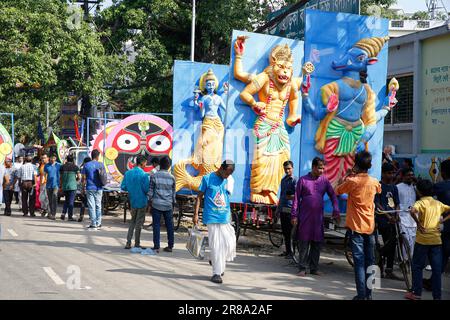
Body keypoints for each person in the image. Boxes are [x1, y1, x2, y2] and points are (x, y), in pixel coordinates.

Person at [335, 151, 381, 300]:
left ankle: (361, 296)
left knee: (359, 263)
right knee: (371, 261)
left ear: (356, 164)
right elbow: (379, 190)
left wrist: (347, 175)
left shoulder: (353, 181)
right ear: (370, 165)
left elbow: (337, 189)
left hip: (356, 228)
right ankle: (370, 295)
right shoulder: (374, 182)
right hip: (370, 227)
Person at [291, 157, 340, 276]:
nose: (322, 170)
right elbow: (296, 199)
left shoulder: (324, 181)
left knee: (317, 243)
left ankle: (314, 268)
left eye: (323, 168)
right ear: (313, 167)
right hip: (305, 217)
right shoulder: (302, 180)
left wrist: (336, 209)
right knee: (304, 242)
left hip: (318, 219)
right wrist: (294, 215)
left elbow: (333, 195)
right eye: (319, 168)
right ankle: (302, 268)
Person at [405, 179, 450, 300]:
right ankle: (437, 296)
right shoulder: (438, 203)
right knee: (436, 270)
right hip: (436, 240)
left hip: (422, 240)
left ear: (418, 192)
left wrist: (418, 224)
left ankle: (416, 293)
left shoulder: (420, 202)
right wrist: (443, 220)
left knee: (417, 266)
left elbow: (412, 211)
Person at [193, 160, 236, 284]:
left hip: (225, 217)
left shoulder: (228, 180)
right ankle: (217, 273)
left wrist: (229, 178)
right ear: (221, 169)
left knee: (229, 243)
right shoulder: (207, 178)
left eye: (230, 174)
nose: (228, 176)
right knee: (217, 245)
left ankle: (216, 260)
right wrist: (195, 214)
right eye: (227, 173)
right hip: (211, 216)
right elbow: (199, 197)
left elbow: (228, 194)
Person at [423, 159, 450, 291]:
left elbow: (425, 195)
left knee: (442, 255)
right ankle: (432, 281)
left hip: (445, 227)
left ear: (443, 173)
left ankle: (433, 282)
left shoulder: (440, 186)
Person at [374, 162, 402, 280]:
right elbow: (377, 203)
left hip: (393, 220)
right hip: (382, 219)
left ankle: (389, 270)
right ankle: (380, 265)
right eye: (389, 173)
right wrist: (388, 216)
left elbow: (397, 203)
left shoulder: (394, 187)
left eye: (392, 173)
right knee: (385, 244)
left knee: (393, 244)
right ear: (383, 173)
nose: (391, 175)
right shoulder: (379, 186)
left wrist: (396, 214)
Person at [148, 156, 176, 252]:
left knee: (156, 225)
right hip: (168, 205)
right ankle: (170, 246)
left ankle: (156, 246)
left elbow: (151, 191)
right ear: (168, 166)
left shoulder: (154, 176)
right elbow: (173, 193)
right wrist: (173, 203)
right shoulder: (172, 177)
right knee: (169, 226)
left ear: (160, 165)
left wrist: (149, 202)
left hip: (156, 204)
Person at [121, 155, 150, 249]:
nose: (146, 164)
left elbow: (123, 187)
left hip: (132, 201)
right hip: (142, 201)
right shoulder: (144, 175)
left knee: (132, 222)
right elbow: (146, 189)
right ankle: (137, 243)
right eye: (145, 162)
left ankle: (128, 242)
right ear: (142, 163)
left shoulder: (128, 173)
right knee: (139, 223)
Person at [276, 161, 297, 258]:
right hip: (283, 209)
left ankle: (292, 252)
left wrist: (291, 197)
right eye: (285, 169)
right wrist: (278, 209)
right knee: (285, 232)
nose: (287, 170)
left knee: (292, 233)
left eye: (289, 168)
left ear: (292, 168)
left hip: (291, 210)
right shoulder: (283, 180)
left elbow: (298, 196)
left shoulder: (295, 180)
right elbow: (281, 195)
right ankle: (288, 251)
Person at [81, 150, 105, 229]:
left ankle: (93, 223)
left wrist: (82, 188)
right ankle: (99, 223)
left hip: (90, 188)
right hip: (99, 188)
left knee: (91, 206)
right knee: (98, 205)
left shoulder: (86, 165)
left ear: (91, 156)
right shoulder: (101, 165)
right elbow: (104, 176)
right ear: (98, 156)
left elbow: (83, 178)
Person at [397, 167, 417, 255]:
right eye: (408, 175)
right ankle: (404, 259)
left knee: (412, 239)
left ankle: (410, 260)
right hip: (401, 216)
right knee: (405, 239)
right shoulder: (397, 187)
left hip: (413, 217)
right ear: (403, 176)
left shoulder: (415, 187)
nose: (410, 177)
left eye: (412, 175)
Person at [60, 154, 80, 221]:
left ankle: (63, 214)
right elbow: (79, 177)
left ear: (67, 159)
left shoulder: (62, 167)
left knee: (66, 200)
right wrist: (76, 180)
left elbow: (61, 177)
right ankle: (70, 217)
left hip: (65, 186)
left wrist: (61, 186)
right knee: (71, 202)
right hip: (72, 186)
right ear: (73, 160)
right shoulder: (75, 167)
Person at [44, 154, 61, 220]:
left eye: (53, 158)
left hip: (56, 184)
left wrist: (61, 184)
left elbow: (61, 175)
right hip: (48, 185)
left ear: (55, 158)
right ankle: (51, 213)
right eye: (51, 158)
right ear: (49, 158)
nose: (52, 159)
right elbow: (45, 175)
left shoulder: (59, 165)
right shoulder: (46, 165)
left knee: (54, 198)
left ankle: (53, 214)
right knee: (50, 200)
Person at [77, 157, 91, 222]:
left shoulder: (84, 168)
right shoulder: (93, 168)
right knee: (91, 203)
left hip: (85, 188)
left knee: (83, 203)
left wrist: (82, 189)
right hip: (92, 187)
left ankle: (81, 216)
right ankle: (91, 217)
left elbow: (83, 179)